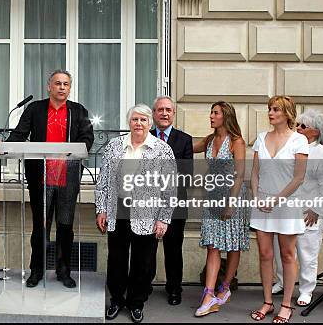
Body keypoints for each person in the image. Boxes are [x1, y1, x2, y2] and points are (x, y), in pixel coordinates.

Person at [7, 70, 94, 288]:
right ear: (49, 87)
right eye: (58, 83)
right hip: (41, 177)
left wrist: (76, 150)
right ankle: (36, 271)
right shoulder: (35, 109)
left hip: (68, 176)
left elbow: (87, 138)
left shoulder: (78, 111)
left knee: (65, 226)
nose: (62, 87)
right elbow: (20, 133)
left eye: (66, 84)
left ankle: (63, 271)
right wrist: (7, 146)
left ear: (69, 88)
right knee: (40, 227)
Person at [96, 104, 176, 323]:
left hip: (148, 211)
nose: (138, 124)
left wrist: (163, 218)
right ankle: (116, 300)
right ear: (129, 122)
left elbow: (169, 188)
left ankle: (136, 303)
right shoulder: (115, 146)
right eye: (135, 120)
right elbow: (103, 181)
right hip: (118, 208)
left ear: (150, 123)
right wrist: (101, 209)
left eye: (143, 120)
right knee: (117, 259)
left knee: (143, 261)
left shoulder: (161, 149)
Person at [249, 96, 308, 323]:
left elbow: (299, 178)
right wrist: (256, 198)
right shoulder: (262, 138)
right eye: (269, 109)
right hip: (262, 204)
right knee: (265, 254)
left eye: (275, 110)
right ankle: (267, 302)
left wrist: (274, 200)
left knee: (287, 254)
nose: (271, 113)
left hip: (286, 205)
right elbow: (254, 172)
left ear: (287, 113)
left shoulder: (298, 141)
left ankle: (286, 304)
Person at [271, 109, 323, 307]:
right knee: (282, 250)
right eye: (297, 125)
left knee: (307, 252)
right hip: (287, 210)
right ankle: (282, 282)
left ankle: (306, 289)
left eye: (302, 126)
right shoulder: (292, 146)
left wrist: (317, 210)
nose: (297, 128)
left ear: (315, 132)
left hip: (309, 212)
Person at [192, 102, 249, 317]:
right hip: (212, 196)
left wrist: (231, 203)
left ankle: (224, 288)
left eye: (215, 113)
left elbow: (240, 175)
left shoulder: (237, 142)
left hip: (233, 195)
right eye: (211, 112)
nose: (211, 116)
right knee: (212, 244)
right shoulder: (208, 140)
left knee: (233, 242)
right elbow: (186, 146)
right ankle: (208, 294)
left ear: (226, 116)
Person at [149, 96, 193, 305]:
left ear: (173, 113)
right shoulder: (144, 137)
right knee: (146, 248)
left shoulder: (184, 140)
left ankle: (174, 289)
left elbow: (187, 174)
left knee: (173, 249)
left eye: (168, 110)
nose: (164, 113)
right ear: (154, 114)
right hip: (147, 204)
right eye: (160, 110)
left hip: (175, 203)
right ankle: (143, 284)